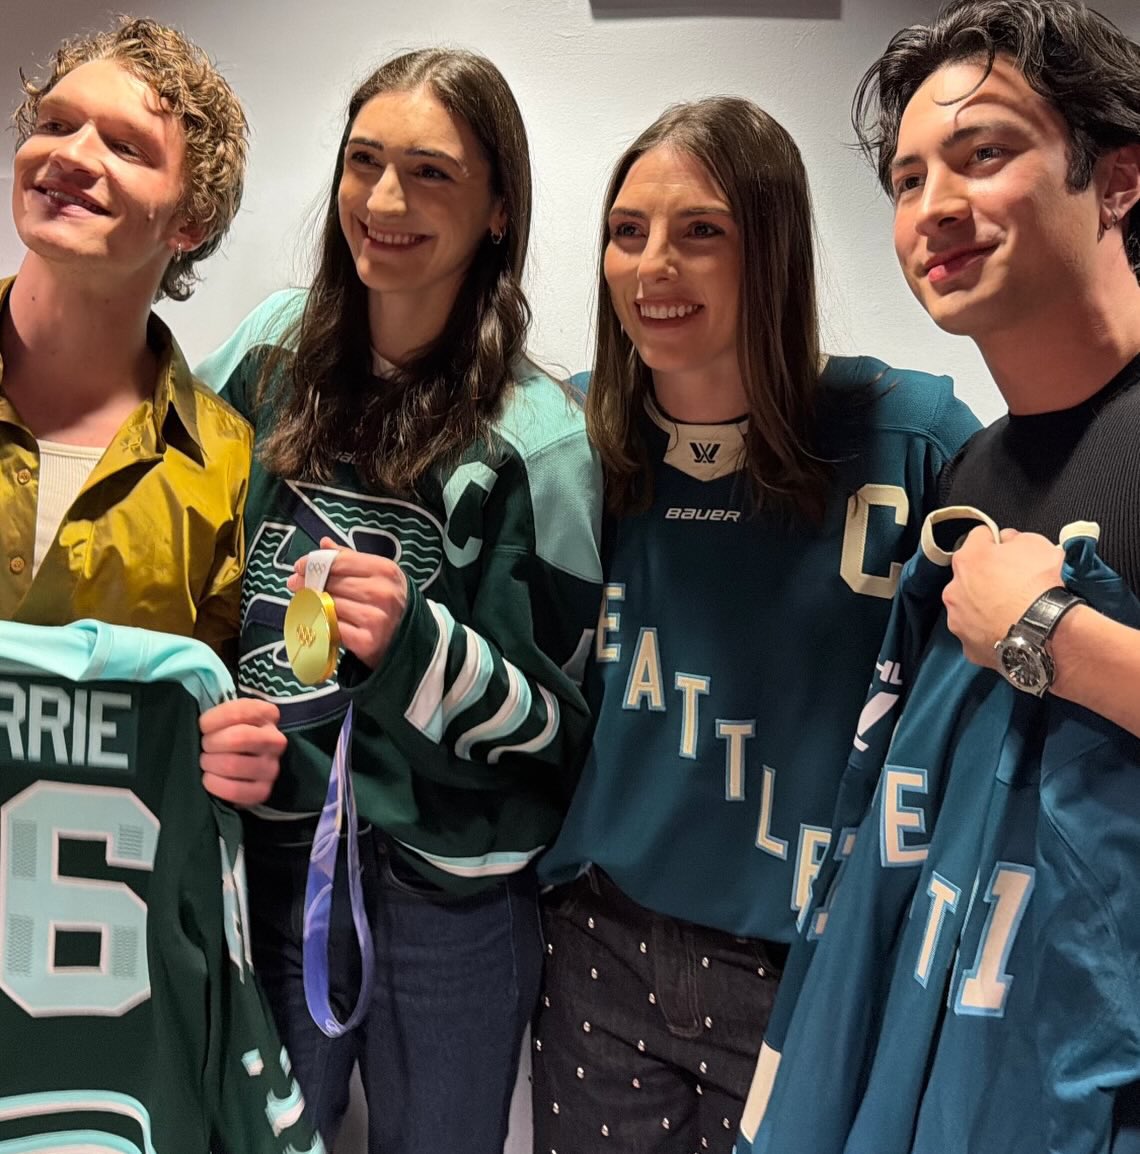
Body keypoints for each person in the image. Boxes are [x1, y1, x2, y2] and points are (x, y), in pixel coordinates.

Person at [531, 95, 979, 1153]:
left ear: (769, 250)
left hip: (813, 972)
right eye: (626, 232)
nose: (653, 266)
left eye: (701, 231)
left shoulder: (909, 437)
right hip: (604, 947)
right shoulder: (570, 443)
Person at [195, 48, 602, 1154]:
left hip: (452, 902)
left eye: (431, 173)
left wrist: (420, 647)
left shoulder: (540, 443)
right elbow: (194, 585)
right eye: (364, 162)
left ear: (499, 210)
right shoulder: (265, 356)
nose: (384, 201)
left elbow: (565, 730)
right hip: (271, 862)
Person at [0, 16, 284, 804]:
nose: (68, 154)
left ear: (188, 223)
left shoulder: (230, 464)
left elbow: (216, 707)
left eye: (124, 147)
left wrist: (242, 754)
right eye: (55, 124)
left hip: (93, 911)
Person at [852, 0, 1140, 721]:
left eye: (984, 154)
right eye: (908, 181)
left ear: (1117, 184)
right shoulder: (966, 476)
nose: (933, 209)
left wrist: (1049, 633)